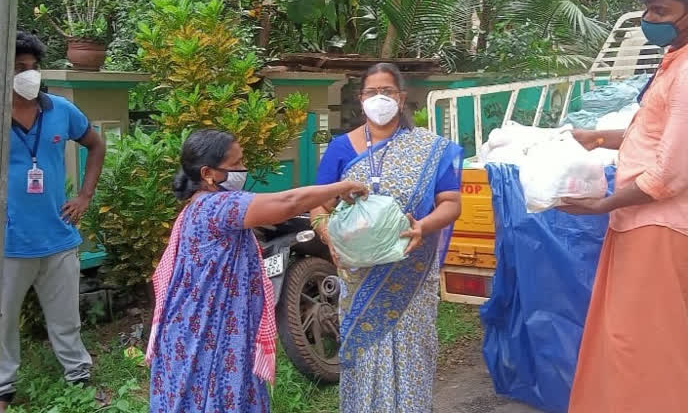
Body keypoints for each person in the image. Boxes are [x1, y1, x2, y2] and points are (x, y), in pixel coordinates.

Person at [560, 0, 688, 413]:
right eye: (648, 10)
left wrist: (601, 204)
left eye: (660, 12)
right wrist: (599, 138)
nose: (649, 21)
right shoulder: (680, 58)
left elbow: (671, 174)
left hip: (662, 225)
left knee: (648, 352)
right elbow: (658, 135)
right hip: (642, 220)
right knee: (621, 342)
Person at [146, 129, 368, 412]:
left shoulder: (198, 206)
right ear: (208, 173)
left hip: (200, 328)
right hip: (206, 334)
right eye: (236, 164)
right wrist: (339, 187)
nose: (243, 170)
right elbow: (287, 203)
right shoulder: (217, 206)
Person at [311, 63, 463, 413]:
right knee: (363, 353)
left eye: (387, 92)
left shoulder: (431, 149)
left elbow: (451, 204)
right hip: (358, 278)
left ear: (402, 97)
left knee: (412, 352)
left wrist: (423, 227)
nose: (379, 98)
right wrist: (327, 235)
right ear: (360, 99)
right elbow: (319, 205)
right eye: (371, 92)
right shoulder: (339, 149)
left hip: (411, 272)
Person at [0, 31, 106, 411]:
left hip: (59, 236)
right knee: (2, 320)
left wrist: (84, 196)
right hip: (9, 242)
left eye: (32, 67)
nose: (28, 74)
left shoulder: (60, 110)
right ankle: (3, 386)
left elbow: (95, 144)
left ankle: (77, 375)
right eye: (18, 68)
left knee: (66, 317)